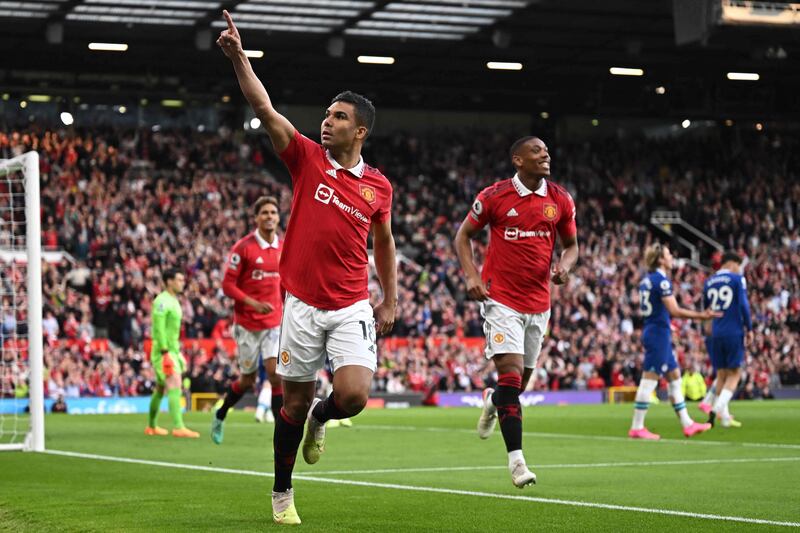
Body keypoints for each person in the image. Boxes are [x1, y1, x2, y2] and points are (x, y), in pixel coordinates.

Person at [217, 11, 397, 525]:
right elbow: (263, 105)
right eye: (326, 114)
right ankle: (281, 492)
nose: (328, 120)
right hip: (298, 308)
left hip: (350, 306)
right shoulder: (307, 158)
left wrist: (391, 296)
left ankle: (326, 414)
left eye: (339, 116)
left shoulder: (378, 187)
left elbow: (383, 241)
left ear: (359, 130)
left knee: (354, 396)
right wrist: (238, 57)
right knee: (289, 405)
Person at [454, 135, 579, 488]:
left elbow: (571, 247)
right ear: (517, 160)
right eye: (537, 151)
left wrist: (565, 267)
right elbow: (463, 236)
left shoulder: (560, 199)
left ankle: (492, 401)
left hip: (539, 305)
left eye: (546, 150)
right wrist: (472, 275)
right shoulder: (494, 197)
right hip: (501, 300)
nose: (546, 155)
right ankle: (517, 463)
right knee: (510, 379)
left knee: (516, 386)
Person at [212, 196, 284, 444]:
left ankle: (280, 432)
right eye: (264, 212)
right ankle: (221, 413)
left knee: (276, 375)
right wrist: (253, 303)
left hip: (274, 322)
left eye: (273, 212)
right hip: (247, 325)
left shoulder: (284, 247)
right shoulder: (243, 248)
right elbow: (227, 285)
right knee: (247, 380)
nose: (269, 216)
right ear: (256, 218)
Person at [628, 244, 718, 440]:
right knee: (649, 379)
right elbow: (674, 310)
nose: (671, 257)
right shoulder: (662, 281)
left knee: (675, 377)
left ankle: (687, 424)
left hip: (657, 331)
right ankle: (637, 426)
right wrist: (703, 316)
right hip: (658, 334)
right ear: (660, 259)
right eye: (668, 254)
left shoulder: (647, 280)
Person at [145, 268, 199, 438]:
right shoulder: (161, 301)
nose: (182, 283)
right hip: (164, 351)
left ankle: (152, 426)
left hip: (172, 350)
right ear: (169, 281)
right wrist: (165, 351)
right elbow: (159, 328)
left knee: (160, 388)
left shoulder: (174, 301)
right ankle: (178, 427)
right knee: (175, 383)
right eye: (179, 279)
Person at [702, 250, 753, 428]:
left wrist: (709, 329)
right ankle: (717, 408)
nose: (739, 270)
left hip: (716, 333)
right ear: (731, 263)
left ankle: (723, 418)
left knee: (722, 374)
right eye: (738, 266)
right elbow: (743, 305)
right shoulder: (737, 280)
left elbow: (706, 311)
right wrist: (750, 328)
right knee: (735, 374)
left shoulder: (708, 282)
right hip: (733, 331)